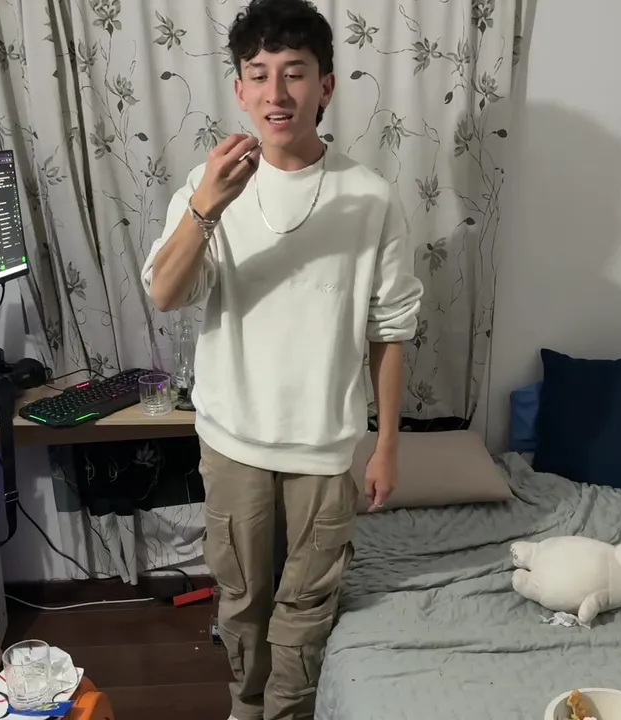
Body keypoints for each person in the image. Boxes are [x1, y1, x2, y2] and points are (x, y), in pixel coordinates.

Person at [140, 1, 423, 718]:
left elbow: (390, 331)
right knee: (241, 600)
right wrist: (206, 207)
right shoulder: (210, 186)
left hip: (324, 448)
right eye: (259, 74)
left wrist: (387, 445)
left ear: (325, 86)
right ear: (240, 90)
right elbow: (166, 294)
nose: (277, 93)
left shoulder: (370, 198)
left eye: (295, 73)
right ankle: (246, 706)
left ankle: (289, 712)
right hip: (232, 440)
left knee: (308, 603)